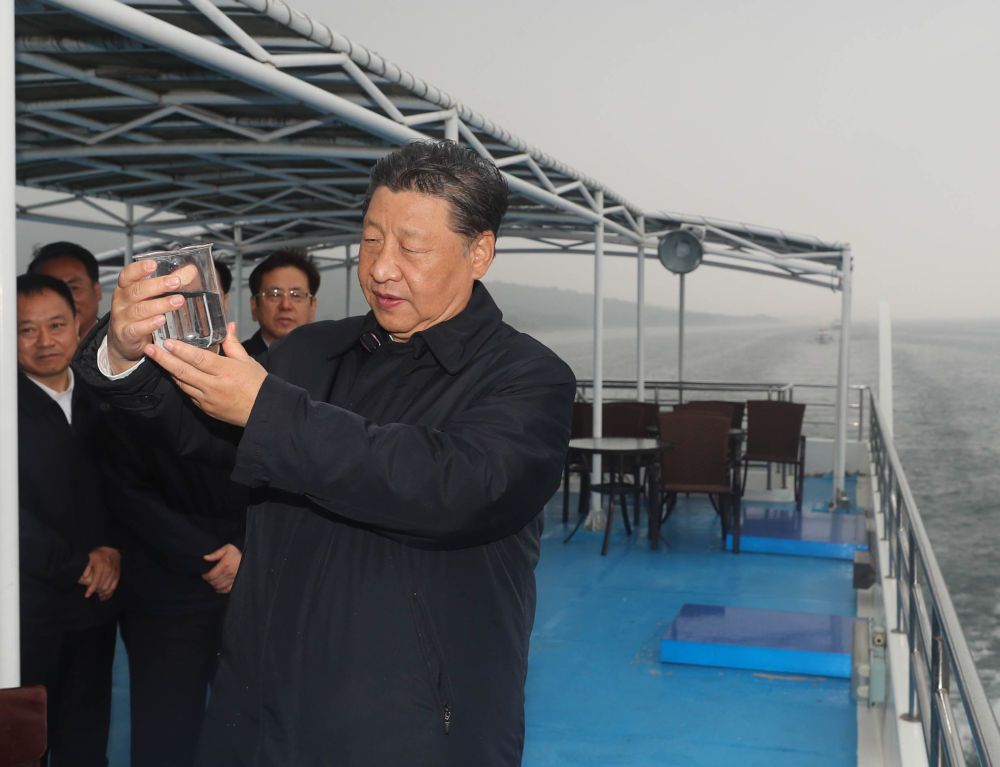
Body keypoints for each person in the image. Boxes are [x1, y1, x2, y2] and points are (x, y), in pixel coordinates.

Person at [76, 140, 576, 766]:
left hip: (411, 732)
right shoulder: (312, 352)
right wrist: (126, 354)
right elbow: (198, 429)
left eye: (411, 248)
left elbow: (456, 487)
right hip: (257, 716)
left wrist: (267, 410)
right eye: (370, 240)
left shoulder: (529, 378)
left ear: (479, 252)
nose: (382, 268)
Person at [16, 273, 120, 766]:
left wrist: (112, 548)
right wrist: (75, 564)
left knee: (86, 744)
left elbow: (128, 486)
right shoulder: (5, 408)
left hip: (97, 605)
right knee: (25, 744)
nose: (44, 341)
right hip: (25, 612)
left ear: (79, 323)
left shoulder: (107, 399)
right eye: (26, 330)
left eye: (56, 325)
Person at [241, 248, 319, 356]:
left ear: (312, 306)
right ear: (254, 305)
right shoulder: (234, 360)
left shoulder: (329, 359)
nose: (286, 305)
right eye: (275, 294)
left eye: (296, 295)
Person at [27, 241, 103, 337]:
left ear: (97, 291)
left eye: (74, 288)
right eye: (54, 291)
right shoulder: (15, 345)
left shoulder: (118, 344)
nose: (66, 299)